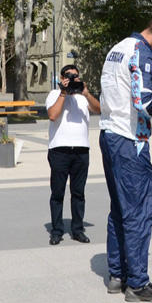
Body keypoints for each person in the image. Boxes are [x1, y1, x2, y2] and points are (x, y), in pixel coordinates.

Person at [98, 15, 152, 302]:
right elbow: (143, 101)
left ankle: (117, 275)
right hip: (131, 140)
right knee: (140, 213)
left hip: (109, 134)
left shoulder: (116, 48)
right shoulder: (142, 53)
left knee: (119, 209)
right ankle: (138, 284)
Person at [45, 64, 100, 245]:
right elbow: (53, 115)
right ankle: (57, 230)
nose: (73, 79)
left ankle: (77, 229)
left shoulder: (82, 97)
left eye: (76, 76)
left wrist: (85, 92)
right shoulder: (54, 94)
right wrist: (63, 93)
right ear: (62, 78)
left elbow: (99, 109)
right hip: (59, 150)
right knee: (57, 193)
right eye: (69, 76)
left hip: (81, 150)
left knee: (78, 193)